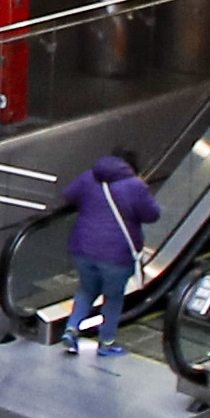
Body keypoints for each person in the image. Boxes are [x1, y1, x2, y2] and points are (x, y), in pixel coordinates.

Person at [58, 145, 155, 351]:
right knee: (113, 297)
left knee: (87, 290)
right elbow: (152, 215)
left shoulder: (88, 178)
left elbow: (68, 195)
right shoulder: (135, 186)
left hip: (83, 248)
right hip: (116, 255)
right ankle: (106, 343)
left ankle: (71, 329)